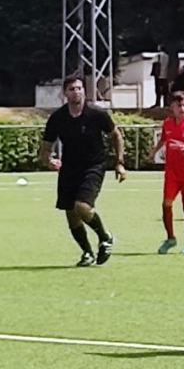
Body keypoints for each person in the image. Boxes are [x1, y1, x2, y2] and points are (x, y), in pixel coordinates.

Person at [39, 74, 125, 266]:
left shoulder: (96, 114)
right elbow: (45, 147)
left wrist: (119, 162)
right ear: (65, 93)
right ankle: (87, 253)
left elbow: (116, 136)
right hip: (69, 168)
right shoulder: (58, 118)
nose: (76, 92)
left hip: (94, 166)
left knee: (82, 206)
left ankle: (105, 237)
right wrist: (49, 161)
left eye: (79, 88)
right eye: (72, 89)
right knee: (71, 214)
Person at [152, 91, 184, 254]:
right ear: (172, 107)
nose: (182, 108)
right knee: (166, 203)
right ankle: (170, 238)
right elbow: (163, 139)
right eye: (178, 105)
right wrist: (153, 152)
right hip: (172, 172)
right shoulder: (167, 124)